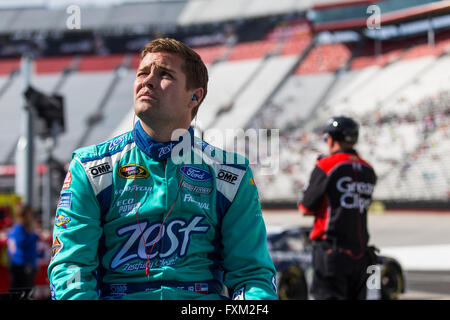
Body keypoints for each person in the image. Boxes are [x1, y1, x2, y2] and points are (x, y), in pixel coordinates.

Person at [48, 38, 277, 300]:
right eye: (143, 72)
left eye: (164, 74)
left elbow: (252, 275)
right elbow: (71, 269)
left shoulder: (231, 174)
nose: (147, 80)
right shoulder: (91, 168)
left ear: (195, 96)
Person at [298, 116, 377, 300]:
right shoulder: (369, 170)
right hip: (361, 254)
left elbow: (305, 207)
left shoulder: (326, 165)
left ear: (331, 139)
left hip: (331, 253)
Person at [7, 204, 39, 295]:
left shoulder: (21, 228)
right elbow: (20, 244)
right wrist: (34, 235)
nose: (32, 217)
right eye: (30, 214)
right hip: (21, 266)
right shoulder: (19, 228)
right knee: (23, 293)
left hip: (25, 266)